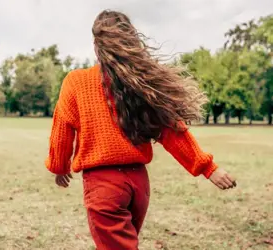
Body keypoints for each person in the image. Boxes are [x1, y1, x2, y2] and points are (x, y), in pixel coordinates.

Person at [45, 10, 236, 250]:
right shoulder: (140, 83)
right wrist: (208, 169)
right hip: (138, 186)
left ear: (96, 45)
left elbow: (62, 129)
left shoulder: (76, 81)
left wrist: (59, 167)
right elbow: (171, 130)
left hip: (104, 188)